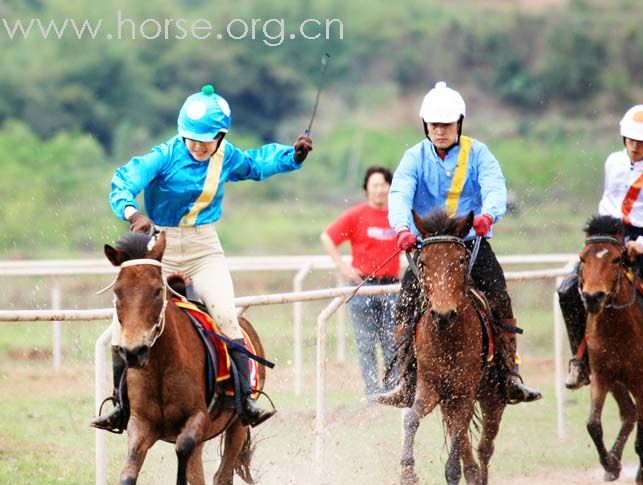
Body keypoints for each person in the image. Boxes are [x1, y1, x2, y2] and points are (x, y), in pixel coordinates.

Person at [91, 84, 313, 432]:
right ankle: (120, 407)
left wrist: (293, 156)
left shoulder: (227, 157)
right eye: (191, 138)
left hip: (203, 250)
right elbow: (124, 180)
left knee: (226, 316)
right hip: (157, 250)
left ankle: (244, 402)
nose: (197, 145)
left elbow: (258, 163)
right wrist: (134, 213)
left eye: (205, 140)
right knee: (125, 328)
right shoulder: (163, 155)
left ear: (221, 136)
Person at [374, 81, 542, 408]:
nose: (440, 131)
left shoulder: (479, 154)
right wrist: (402, 229)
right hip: (430, 250)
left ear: (459, 124)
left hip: (470, 245)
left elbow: (495, 188)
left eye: (446, 125)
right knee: (405, 304)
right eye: (434, 125)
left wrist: (488, 216)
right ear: (426, 125)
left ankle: (510, 373)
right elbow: (400, 195)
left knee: (499, 296)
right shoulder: (413, 158)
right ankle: (405, 381)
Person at [558, 99, 643, 390]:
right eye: (629, 138)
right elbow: (608, 203)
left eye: (641, 140)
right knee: (567, 290)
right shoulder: (613, 162)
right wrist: (599, 238)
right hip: (610, 240)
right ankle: (580, 360)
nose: (634, 145)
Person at [320, 166, 400, 403]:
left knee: (392, 343)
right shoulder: (356, 215)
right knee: (366, 344)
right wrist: (344, 268)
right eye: (374, 185)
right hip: (362, 287)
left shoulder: (398, 215)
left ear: (389, 188)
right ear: (366, 189)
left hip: (391, 288)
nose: (379, 190)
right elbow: (327, 237)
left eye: (383, 185)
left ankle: (393, 392)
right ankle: (373, 396)